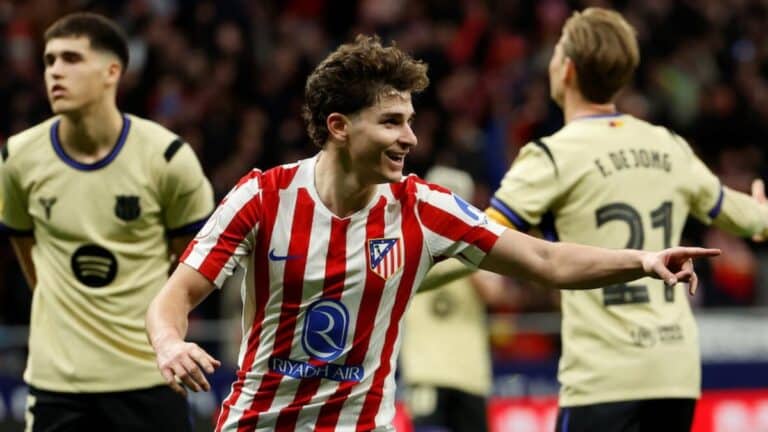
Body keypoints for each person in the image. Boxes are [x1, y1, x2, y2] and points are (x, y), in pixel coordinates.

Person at [145, 34, 718, 432]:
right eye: (392, 122)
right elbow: (174, 299)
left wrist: (641, 261)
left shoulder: (423, 208)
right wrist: (171, 344)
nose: (410, 138)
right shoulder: (262, 197)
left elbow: (545, 262)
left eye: (411, 122)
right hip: (257, 421)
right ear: (339, 127)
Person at [484, 8, 768, 432]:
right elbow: (745, 219)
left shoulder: (551, 156)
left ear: (567, 70)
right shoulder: (668, 145)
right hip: (675, 375)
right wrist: (761, 211)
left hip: (604, 378)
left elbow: (473, 240)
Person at [0, 13, 214, 431]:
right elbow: (28, 255)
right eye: (49, 61)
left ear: (111, 71)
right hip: (56, 383)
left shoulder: (167, 158)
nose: (55, 72)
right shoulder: (17, 158)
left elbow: (193, 265)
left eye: (72, 59)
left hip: (151, 377)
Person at [400, 165, 510, 432]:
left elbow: (496, 295)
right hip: (426, 371)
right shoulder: (409, 246)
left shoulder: (476, 250)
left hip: (469, 374)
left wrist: (462, 247)